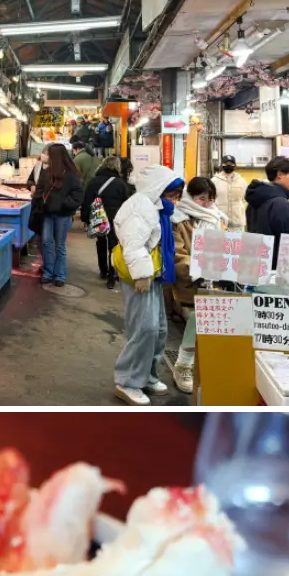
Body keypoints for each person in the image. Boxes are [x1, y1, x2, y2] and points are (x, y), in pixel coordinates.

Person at [111, 165, 185, 407]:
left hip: (152, 275)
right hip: (139, 276)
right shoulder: (141, 206)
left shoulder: (159, 207)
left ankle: (147, 376)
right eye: (172, 193)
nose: (175, 198)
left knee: (158, 328)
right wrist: (142, 274)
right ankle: (129, 381)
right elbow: (132, 243)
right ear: (159, 188)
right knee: (144, 329)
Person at [170, 177, 229, 395]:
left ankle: (203, 367)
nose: (206, 204)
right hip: (190, 283)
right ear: (190, 197)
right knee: (199, 318)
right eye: (201, 198)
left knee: (217, 325)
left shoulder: (218, 218)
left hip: (216, 280)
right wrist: (197, 267)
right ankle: (183, 366)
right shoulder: (178, 219)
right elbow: (177, 255)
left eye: (210, 199)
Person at [34, 143, 83, 288]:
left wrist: (61, 204)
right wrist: (41, 201)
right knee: (47, 242)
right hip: (47, 214)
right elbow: (39, 190)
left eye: (49, 154)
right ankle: (48, 273)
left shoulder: (72, 174)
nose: (46, 157)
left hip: (63, 216)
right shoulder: (46, 173)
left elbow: (78, 196)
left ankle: (60, 275)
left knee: (59, 245)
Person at [81, 155, 133, 288]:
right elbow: (127, 203)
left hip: (99, 218)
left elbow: (87, 200)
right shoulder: (120, 183)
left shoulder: (94, 181)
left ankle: (103, 270)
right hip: (115, 219)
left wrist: (85, 218)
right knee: (113, 246)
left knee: (101, 242)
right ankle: (112, 275)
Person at [212, 155, 247, 230]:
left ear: (235, 165)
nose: (229, 165)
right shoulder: (214, 181)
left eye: (231, 164)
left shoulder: (241, 181)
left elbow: (245, 199)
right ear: (222, 165)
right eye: (226, 164)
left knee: (237, 241)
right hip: (220, 222)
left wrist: (239, 210)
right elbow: (211, 200)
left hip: (238, 222)